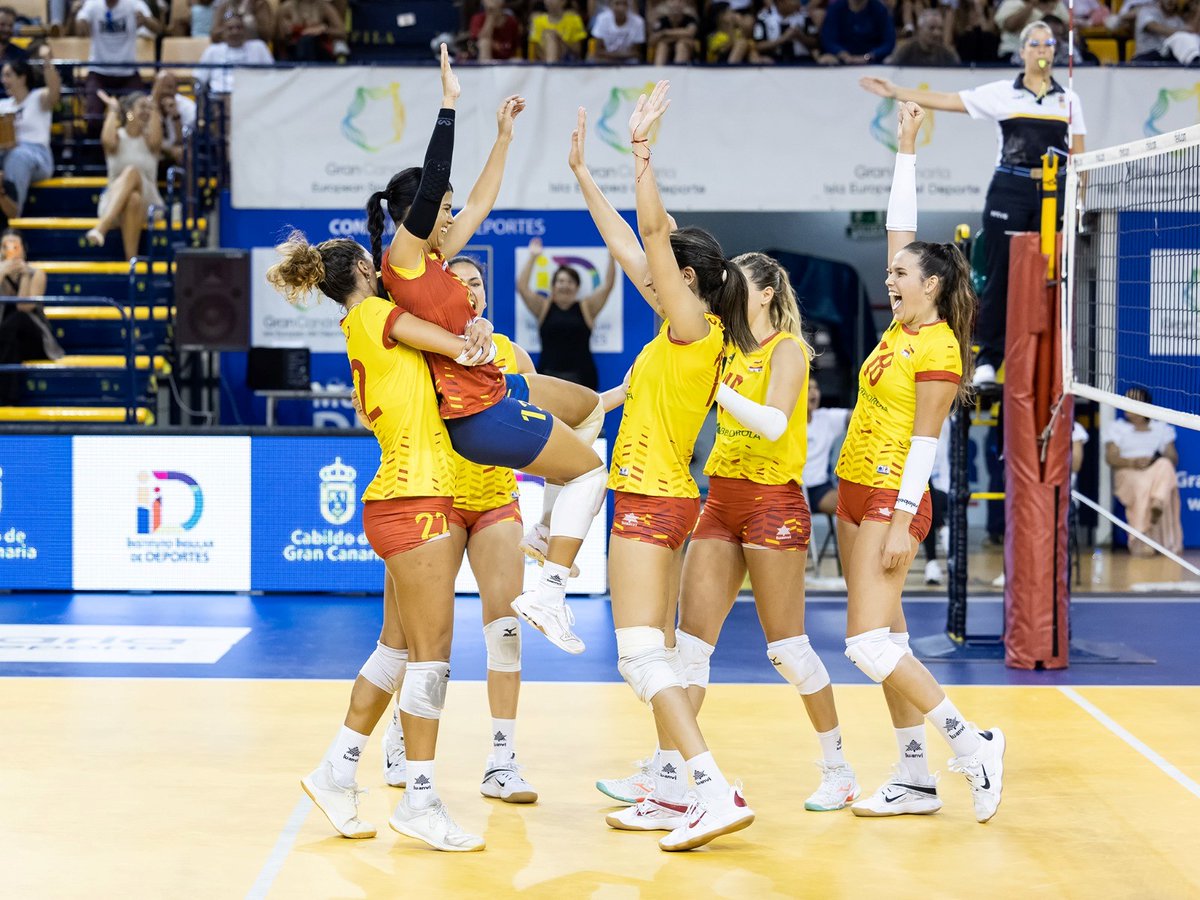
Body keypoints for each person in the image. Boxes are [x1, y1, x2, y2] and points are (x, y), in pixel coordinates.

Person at [366, 47, 608, 657]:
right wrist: (448, 107)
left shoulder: (438, 263)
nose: (450, 217)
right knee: (592, 470)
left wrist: (502, 137)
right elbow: (436, 193)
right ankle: (551, 588)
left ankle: (550, 528)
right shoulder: (405, 264)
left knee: (586, 411)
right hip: (476, 413)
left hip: (490, 395)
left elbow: (481, 202)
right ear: (415, 219)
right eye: (439, 211)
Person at [570, 85, 757, 852]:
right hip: (663, 495)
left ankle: (712, 789)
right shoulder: (678, 326)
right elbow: (630, 241)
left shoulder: (691, 327)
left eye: (664, 267)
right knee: (659, 653)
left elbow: (649, 229)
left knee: (643, 653)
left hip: (651, 497)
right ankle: (673, 790)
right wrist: (585, 175)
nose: (649, 269)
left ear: (688, 280)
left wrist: (642, 156)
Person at [267, 231, 493, 852]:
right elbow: (460, 348)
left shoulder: (358, 322)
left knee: (395, 652)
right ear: (367, 270)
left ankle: (336, 772)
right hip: (412, 500)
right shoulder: (374, 313)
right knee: (432, 657)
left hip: (404, 495)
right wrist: (476, 331)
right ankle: (420, 799)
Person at [835, 101, 1005, 823]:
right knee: (892, 639)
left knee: (868, 643)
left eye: (900, 272)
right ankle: (913, 776)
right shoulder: (902, 323)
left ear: (929, 284)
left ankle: (972, 746)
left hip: (889, 499)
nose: (892, 275)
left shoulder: (939, 349)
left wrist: (905, 520)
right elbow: (901, 227)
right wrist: (905, 151)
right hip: (852, 491)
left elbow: (927, 445)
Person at [659, 252, 860, 821]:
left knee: (788, 650)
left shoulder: (788, 350)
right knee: (689, 646)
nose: (725, 290)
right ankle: (671, 773)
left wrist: (717, 390)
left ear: (767, 292)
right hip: (721, 498)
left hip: (774, 501)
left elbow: (774, 422)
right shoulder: (722, 344)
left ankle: (839, 770)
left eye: (737, 283)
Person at [380, 255, 540, 806]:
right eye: (458, 281)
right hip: (437, 501)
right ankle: (400, 738)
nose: (468, 288)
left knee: (507, 631)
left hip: (496, 501)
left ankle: (503, 761)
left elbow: (538, 426)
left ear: (486, 298)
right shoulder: (424, 350)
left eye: (476, 282)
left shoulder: (513, 355)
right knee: (414, 638)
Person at [859, 21, 1087, 386]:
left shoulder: (1069, 99)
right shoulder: (1004, 93)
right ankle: (988, 358)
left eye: (1048, 44)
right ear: (1023, 50)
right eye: (1035, 43)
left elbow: (1080, 157)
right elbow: (952, 101)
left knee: (1057, 274)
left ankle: (1059, 360)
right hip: (1011, 186)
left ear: (1055, 52)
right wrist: (895, 91)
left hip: (1055, 190)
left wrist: (1078, 202)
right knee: (1000, 273)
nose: (1042, 50)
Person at [517, 238, 614, 390]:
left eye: (570, 282)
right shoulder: (543, 306)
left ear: (577, 287)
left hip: (583, 379)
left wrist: (612, 256)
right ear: (553, 286)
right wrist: (533, 257)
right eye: (561, 281)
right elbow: (522, 287)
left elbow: (607, 286)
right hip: (548, 377)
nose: (565, 285)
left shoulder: (586, 307)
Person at [1103, 388, 1183, 558]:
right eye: (1125, 400)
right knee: (1141, 485)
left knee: (1165, 465)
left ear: (1144, 405)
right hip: (1128, 472)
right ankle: (1140, 540)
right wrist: (1133, 462)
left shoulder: (1160, 428)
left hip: (1153, 471)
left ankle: (1158, 503)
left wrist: (1153, 459)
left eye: (1132, 401)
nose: (1126, 404)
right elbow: (1111, 457)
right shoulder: (1117, 428)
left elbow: (1172, 458)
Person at [86, 91, 161, 260]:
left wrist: (154, 106)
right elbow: (106, 140)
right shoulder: (117, 137)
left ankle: (101, 228)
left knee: (132, 171)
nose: (146, 111)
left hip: (149, 200)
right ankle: (131, 262)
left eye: (149, 108)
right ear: (129, 110)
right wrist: (113, 109)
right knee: (133, 198)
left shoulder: (150, 139)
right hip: (115, 200)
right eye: (142, 107)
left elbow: (157, 140)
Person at [70, 0, 161, 137]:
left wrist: (146, 21)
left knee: (132, 115)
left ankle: (127, 146)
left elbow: (158, 29)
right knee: (93, 118)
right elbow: (79, 31)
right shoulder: (92, 4)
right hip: (99, 72)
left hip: (127, 73)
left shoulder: (134, 3)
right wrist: (75, 17)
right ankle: (99, 152)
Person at [0, 228, 61, 404]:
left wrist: (25, 275)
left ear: (24, 249)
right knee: (10, 342)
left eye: (15, 246)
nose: (10, 250)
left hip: (33, 337)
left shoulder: (37, 274)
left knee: (16, 320)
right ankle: (8, 400)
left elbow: (24, 306)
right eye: (5, 246)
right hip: (8, 343)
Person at [0, 48, 61, 219]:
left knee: (17, 156)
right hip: (6, 151)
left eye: (8, 75)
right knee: (13, 154)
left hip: (37, 154)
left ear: (22, 77)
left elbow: (55, 93)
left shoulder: (38, 98)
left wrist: (47, 61)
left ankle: (13, 212)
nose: (3, 80)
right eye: (2, 76)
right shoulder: (3, 105)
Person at [194, 12, 274, 95]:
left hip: (253, 97)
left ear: (245, 31)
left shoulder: (259, 47)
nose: (235, 32)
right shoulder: (213, 51)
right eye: (230, 28)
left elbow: (272, 75)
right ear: (223, 32)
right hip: (220, 99)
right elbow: (199, 79)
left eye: (239, 28)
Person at [803, 379, 851, 518]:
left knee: (852, 508)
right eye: (808, 388)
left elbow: (854, 416)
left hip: (821, 490)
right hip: (792, 488)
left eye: (816, 388)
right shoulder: (787, 419)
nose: (813, 392)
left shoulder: (825, 418)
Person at [818, 0, 896, 64]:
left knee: (890, 60)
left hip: (873, 57)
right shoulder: (836, 8)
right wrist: (844, 56)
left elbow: (889, 41)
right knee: (826, 59)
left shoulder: (879, 9)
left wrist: (868, 56)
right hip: (842, 57)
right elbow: (828, 40)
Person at [274, 0, 348, 61]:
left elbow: (341, 31)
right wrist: (288, 30)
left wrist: (323, 30)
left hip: (317, 50)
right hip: (293, 50)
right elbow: (278, 37)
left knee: (307, 40)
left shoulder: (323, 6)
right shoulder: (286, 7)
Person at [150, 71, 195, 169]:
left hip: (177, 150)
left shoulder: (188, 107)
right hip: (153, 149)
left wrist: (176, 116)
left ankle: (188, 185)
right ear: (154, 88)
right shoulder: (144, 106)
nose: (165, 91)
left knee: (187, 154)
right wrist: (154, 108)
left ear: (176, 89)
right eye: (161, 87)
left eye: (170, 87)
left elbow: (184, 140)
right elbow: (130, 118)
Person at [888, 9, 961, 65]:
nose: (937, 33)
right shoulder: (905, 50)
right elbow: (889, 67)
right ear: (920, 29)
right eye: (931, 28)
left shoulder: (948, 53)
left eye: (940, 29)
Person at [650, 0, 698, 64]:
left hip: (687, 51)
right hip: (667, 50)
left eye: (679, 2)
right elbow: (652, 39)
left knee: (681, 44)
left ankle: (678, 69)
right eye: (672, 1)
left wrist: (665, 33)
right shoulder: (661, 21)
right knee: (662, 45)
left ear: (684, 5)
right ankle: (658, 70)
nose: (676, 4)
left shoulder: (690, 19)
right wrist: (678, 35)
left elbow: (690, 32)